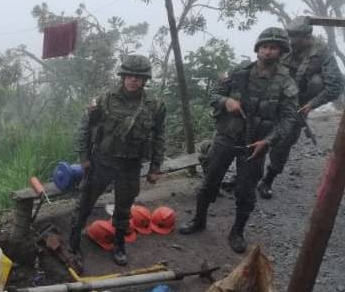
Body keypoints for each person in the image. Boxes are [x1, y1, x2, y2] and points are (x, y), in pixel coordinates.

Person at [180, 27, 299, 252]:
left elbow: (288, 119)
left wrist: (268, 142)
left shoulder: (286, 83)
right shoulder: (238, 72)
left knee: (245, 193)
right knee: (208, 183)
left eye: (273, 48)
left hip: (256, 144)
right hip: (227, 137)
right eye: (264, 46)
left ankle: (237, 232)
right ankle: (199, 220)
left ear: (281, 51)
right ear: (257, 49)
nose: (267, 51)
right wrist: (226, 102)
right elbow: (214, 94)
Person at [69, 54, 166, 266]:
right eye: (130, 75)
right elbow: (85, 128)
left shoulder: (154, 106)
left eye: (138, 77)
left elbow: (159, 136)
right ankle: (73, 241)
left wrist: (155, 166)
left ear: (145, 80)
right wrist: (84, 157)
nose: (133, 80)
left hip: (130, 165)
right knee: (85, 202)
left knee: (124, 207)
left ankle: (119, 243)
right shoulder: (105, 99)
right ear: (123, 76)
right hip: (102, 162)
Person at [257, 16, 343, 199]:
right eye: (291, 35)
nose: (293, 39)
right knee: (257, 133)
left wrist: (311, 105)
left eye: (297, 36)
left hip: (298, 104)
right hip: (275, 97)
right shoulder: (285, 47)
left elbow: (335, 85)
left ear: (308, 35)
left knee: (282, 144)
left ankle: (267, 180)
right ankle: (247, 174)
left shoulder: (322, 53)